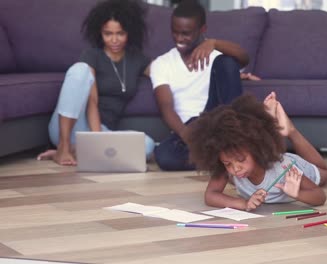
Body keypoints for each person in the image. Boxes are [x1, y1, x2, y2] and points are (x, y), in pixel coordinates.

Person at [37, 0, 155, 165]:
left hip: (103, 131)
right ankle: (64, 147)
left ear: (130, 32)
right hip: (73, 126)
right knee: (80, 70)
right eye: (108, 34)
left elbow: (165, 71)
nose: (114, 40)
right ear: (100, 33)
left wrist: (204, 44)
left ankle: (75, 150)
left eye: (120, 33)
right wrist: (97, 140)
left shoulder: (137, 59)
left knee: (147, 146)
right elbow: (92, 102)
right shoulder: (92, 56)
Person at [149, 0, 257, 171]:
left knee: (227, 61)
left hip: (219, 120)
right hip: (191, 129)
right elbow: (166, 108)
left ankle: (230, 145)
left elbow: (244, 58)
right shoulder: (161, 64)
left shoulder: (215, 55)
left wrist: (214, 43)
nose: (179, 39)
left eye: (186, 34)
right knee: (164, 156)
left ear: (202, 30)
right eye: (175, 32)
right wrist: (191, 139)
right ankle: (224, 156)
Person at [186, 92, 327, 211]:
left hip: (297, 166)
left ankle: (290, 131)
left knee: (323, 172)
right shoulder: (229, 166)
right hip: (272, 157)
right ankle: (271, 123)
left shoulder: (285, 169)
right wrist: (243, 204)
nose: (235, 169)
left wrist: (297, 193)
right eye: (227, 163)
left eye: (241, 160)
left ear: (256, 150)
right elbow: (210, 195)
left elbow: (320, 196)